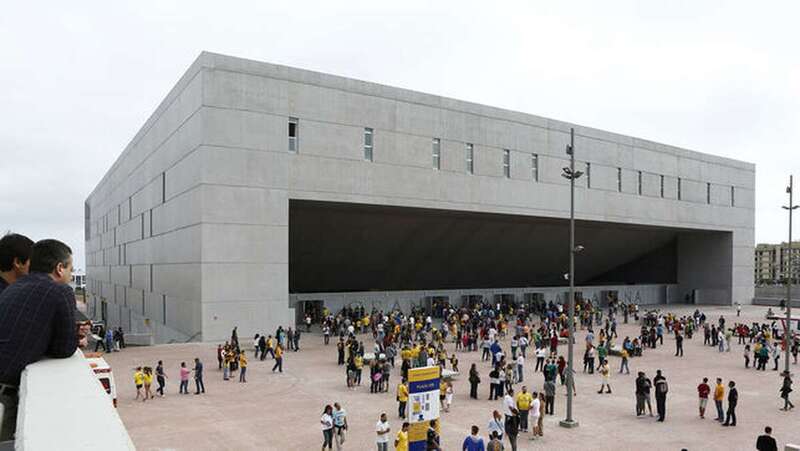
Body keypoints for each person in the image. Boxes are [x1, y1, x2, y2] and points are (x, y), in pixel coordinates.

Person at [0, 239, 88, 441]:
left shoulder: (14, 286)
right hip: (5, 393)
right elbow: (64, 349)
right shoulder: (61, 291)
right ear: (59, 268)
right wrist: (75, 337)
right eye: (70, 269)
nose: (71, 275)